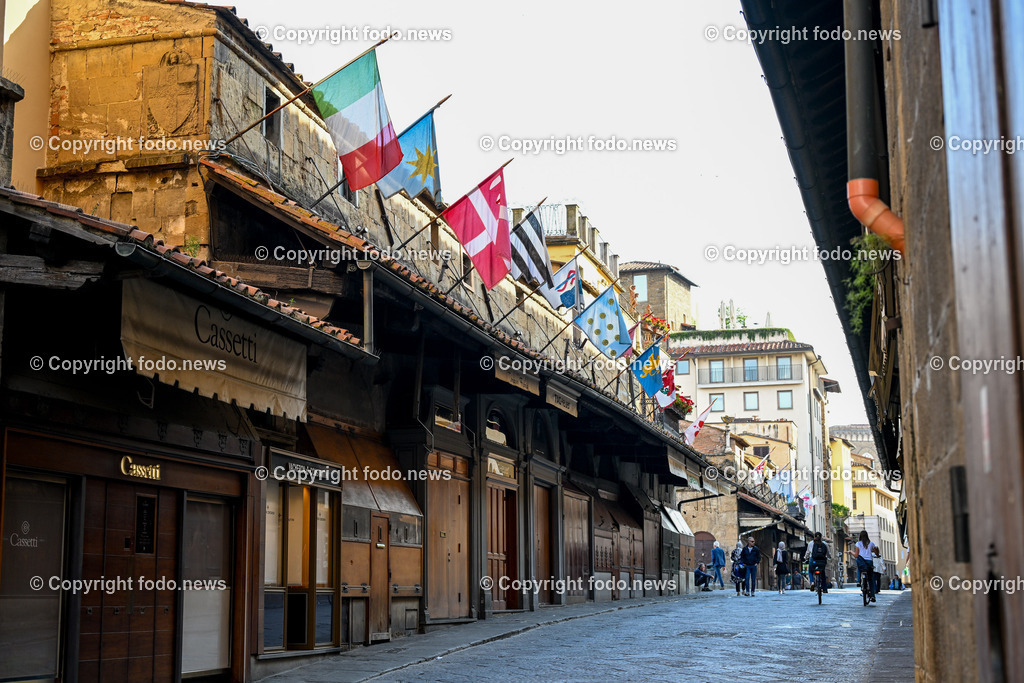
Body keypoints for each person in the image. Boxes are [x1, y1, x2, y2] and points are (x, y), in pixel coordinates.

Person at [849, 530, 878, 602]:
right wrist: (877, 554)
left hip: (861, 561)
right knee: (871, 579)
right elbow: (876, 552)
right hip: (869, 562)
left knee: (859, 567)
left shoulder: (858, 544)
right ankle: (872, 596)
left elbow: (856, 555)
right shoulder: (871, 544)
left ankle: (858, 581)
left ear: (860, 536)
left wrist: (851, 552)